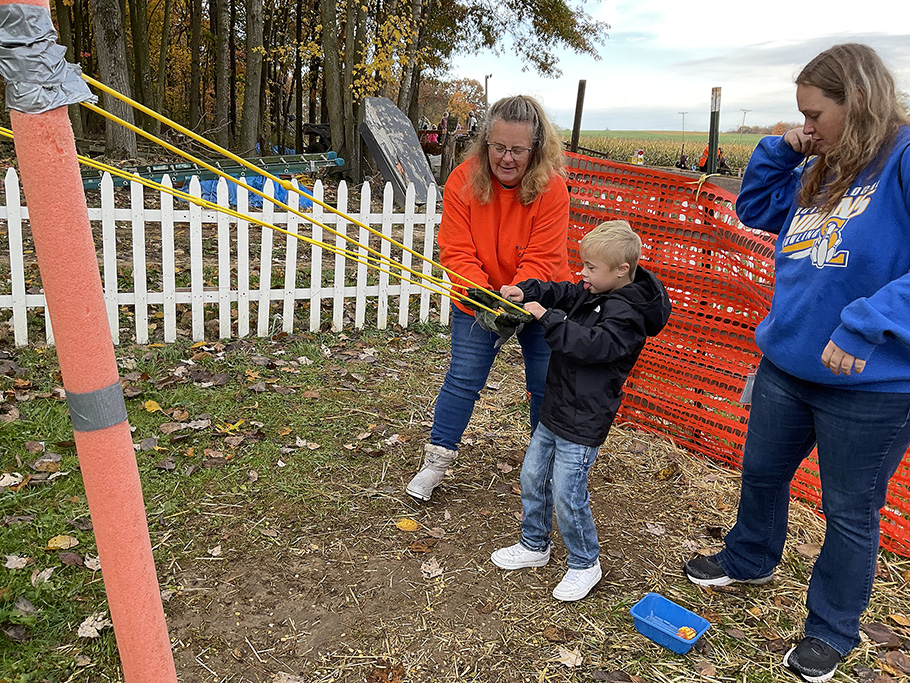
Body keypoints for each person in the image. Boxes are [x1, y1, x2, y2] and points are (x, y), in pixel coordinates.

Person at [683, 43, 910, 683]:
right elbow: (755, 209)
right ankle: (751, 557)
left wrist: (866, 324)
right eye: (801, 116)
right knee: (760, 472)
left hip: (871, 384)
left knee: (848, 510)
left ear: (857, 102)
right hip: (788, 362)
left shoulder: (902, 159)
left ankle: (832, 628)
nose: (806, 126)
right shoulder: (827, 163)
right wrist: (784, 149)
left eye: (814, 115)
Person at [490, 221, 671, 601]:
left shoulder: (629, 313)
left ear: (621, 270)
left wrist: (546, 317)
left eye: (591, 268)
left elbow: (595, 345)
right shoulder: (592, 291)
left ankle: (585, 562)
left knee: (568, 495)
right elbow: (561, 291)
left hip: (585, 418)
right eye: (583, 265)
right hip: (557, 406)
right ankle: (534, 545)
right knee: (533, 478)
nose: (582, 274)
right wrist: (526, 291)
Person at [406, 95, 572, 501]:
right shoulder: (463, 179)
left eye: (517, 149)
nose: (507, 158)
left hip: (538, 297)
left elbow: (543, 256)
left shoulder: (552, 189)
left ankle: (543, 467)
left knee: (545, 384)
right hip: (479, 297)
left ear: (535, 148)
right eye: (498, 147)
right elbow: (456, 248)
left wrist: (517, 295)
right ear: (485, 143)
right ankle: (436, 461)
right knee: (463, 379)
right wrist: (481, 293)